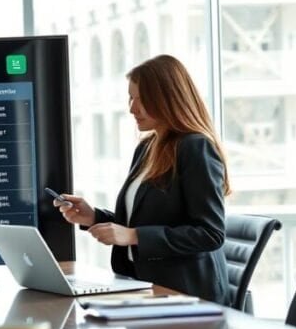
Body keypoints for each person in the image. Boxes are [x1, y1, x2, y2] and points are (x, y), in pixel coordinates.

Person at [54, 54, 232, 304]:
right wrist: (93, 216)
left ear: (169, 99)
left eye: (141, 100)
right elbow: (144, 220)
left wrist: (134, 236)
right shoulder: (148, 148)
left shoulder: (196, 147)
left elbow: (210, 233)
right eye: (130, 98)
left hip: (187, 295)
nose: (132, 108)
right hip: (144, 286)